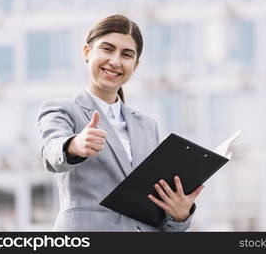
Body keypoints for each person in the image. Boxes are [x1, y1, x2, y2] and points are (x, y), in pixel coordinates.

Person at [37, 14, 203, 231]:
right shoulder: (63, 109)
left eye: (126, 55)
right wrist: (74, 145)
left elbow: (153, 211)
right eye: (107, 49)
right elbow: (51, 152)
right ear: (87, 52)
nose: (115, 61)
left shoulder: (147, 126)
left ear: (135, 65)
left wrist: (179, 216)